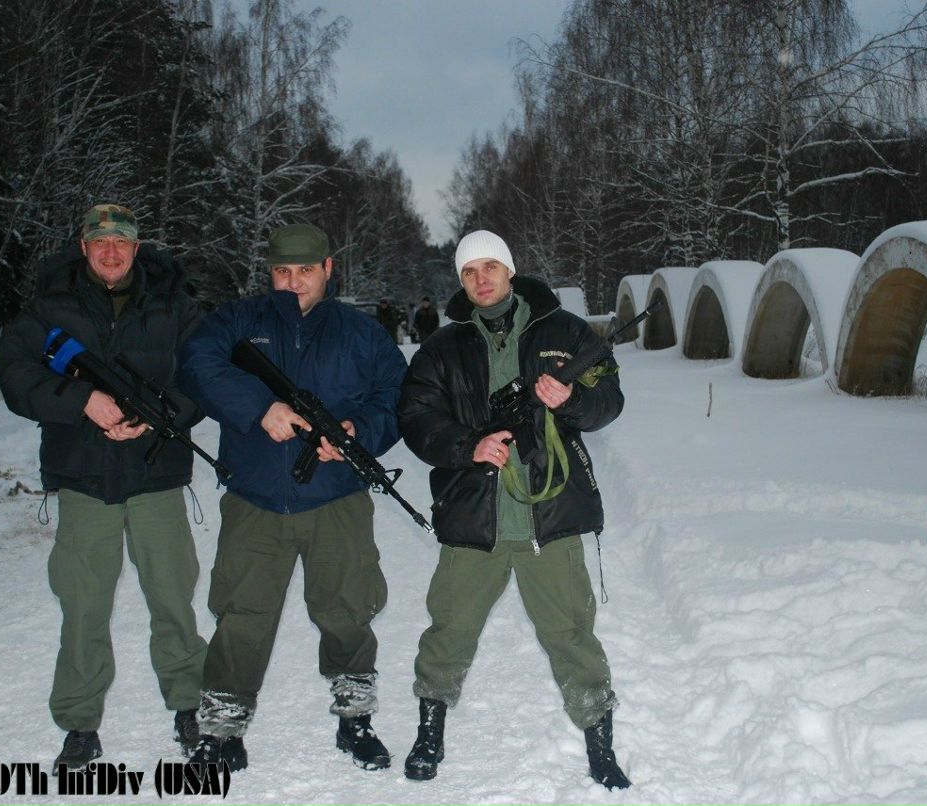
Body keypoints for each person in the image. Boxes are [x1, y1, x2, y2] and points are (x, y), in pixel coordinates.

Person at [396, 229, 632, 789]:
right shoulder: (442, 348)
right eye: (469, 271)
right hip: (474, 518)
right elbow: (415, 417)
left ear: (509, 270)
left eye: (490, 267)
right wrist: (467, 447)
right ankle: (431, 731)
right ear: (460, 281)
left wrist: (571, 400)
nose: (481, 279)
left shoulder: (564, 332)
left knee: (572, 634)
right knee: (449, 629)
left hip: (549, 520)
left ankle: (599, 744)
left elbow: (609, 400)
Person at [177, 224, 407, 774]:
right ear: (269, 271)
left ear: (329, 268)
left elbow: (398, 396)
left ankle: (355, 719)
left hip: (337, 500)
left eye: (306, 270)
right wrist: (261, 407)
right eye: (283, 271)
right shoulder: (238, 320)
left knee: (348, 609)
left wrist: (357, 431)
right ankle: (222, 729)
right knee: (241, 614)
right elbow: (195, 365)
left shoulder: (361, 333)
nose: (294, 282)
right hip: (256, 498)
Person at [0, 204, 208, 772]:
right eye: (100, 242)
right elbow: (14, 372)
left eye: (122, 242)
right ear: (83, 246)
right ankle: (80, 723)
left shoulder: (175, 306)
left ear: (138, 249)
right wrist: (82, 401)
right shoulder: (49, 307)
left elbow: (204, 371)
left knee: (172, 599)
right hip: (85, 479)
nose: (111, 252)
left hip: (156, 474)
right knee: (83, 606)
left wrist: (161, 413)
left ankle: (190, 706)